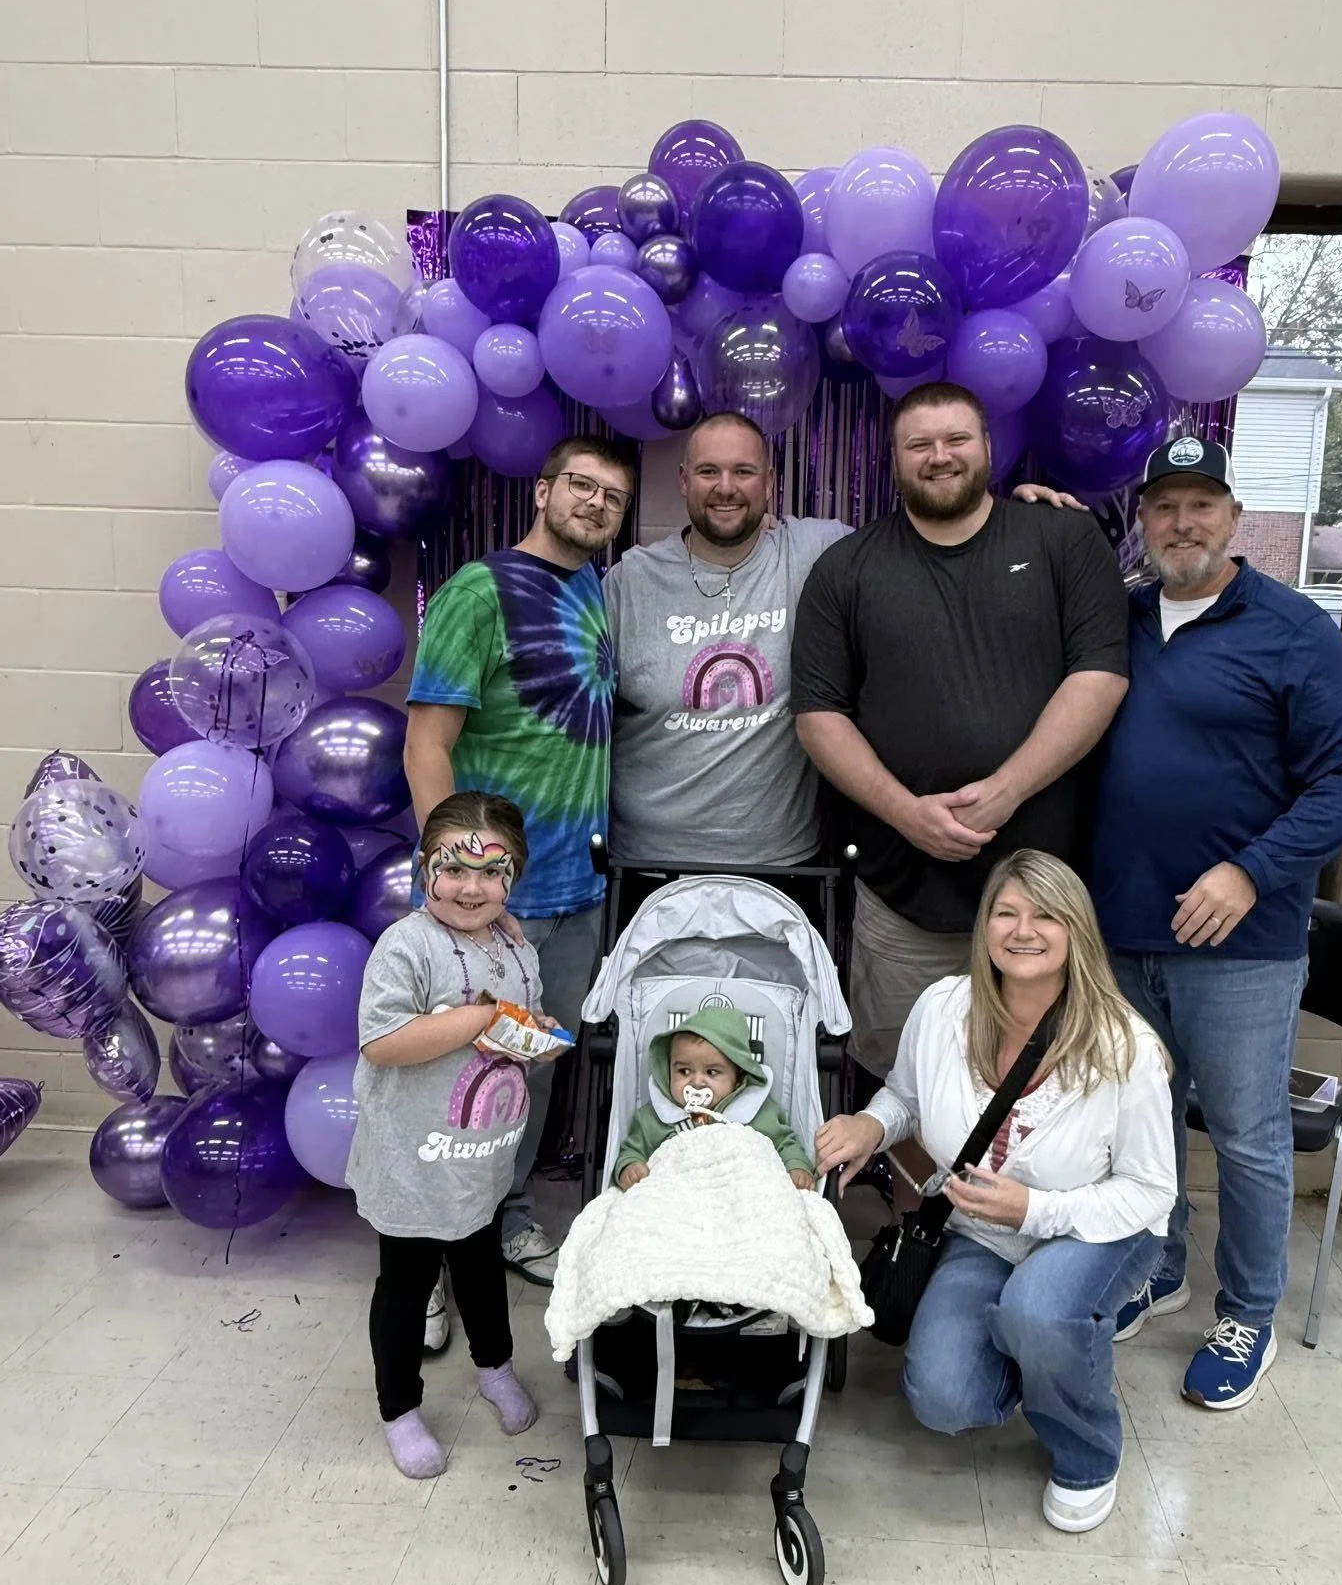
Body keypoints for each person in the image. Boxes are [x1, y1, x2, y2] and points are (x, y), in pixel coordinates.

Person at [1090, 435, 1342, 1410]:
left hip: (1241, 942)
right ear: (1143, 521)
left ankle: (1246, 1310)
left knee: (1251, 1137)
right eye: (1164, 506)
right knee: (1146, 1115)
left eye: (1201, 504)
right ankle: (1161, 1263)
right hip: (1124, 931)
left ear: (1234, 515)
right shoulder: (1119, 621)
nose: (1182, 523)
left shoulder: (1294, 629)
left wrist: (1252, 872)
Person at [814, 849, 1174, 1534]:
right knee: (942, 1398)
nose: (1023, 929)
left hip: (1094, 1234)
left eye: (1045, 914)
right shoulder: (944, 1007)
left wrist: (1034, 1209)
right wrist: (869, 1125)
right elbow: (907, 1099)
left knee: (1039, 1308)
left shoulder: (1126, 1047)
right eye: (1005, 912)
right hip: (982, 1235)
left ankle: (1086, 1448)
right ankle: (1046, 1348)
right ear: (984, 927)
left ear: (1077, 931)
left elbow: (1152, 1190)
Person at [791, 381, 1130, 1087]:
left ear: (989, 449)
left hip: (1044, 888)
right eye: (919, 444)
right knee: (908, 1074)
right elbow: (819, 716)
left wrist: (1007, 791)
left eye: (957, 440)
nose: (939, 457)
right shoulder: (847, 569)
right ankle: (922, 1204)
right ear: (893, 460)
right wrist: (906, 814)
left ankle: (1011, 1203)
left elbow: (1099, 677)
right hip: (904, 888)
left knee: (1043, 1079)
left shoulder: (1063, 539)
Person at [404, 434, 634, 1295]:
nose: (596, 504)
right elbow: (427, 742)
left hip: (575, 896)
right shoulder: (480, 590)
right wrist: (456, 882)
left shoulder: (596, 594)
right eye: (581, 485)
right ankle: (425, 1265)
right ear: (543, 491)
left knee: (530, 1070)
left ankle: (505, 1218)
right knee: (453, 1080)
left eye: (612, 495)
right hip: (488, 899)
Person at [348, 793, 560, 1480]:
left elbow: (515, 1019)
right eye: (454, 869)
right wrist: (477, 1021)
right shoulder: (407, 945)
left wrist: (536, 1034)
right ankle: (399, 1407)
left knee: (478, 1266)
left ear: (515, 878)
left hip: (482, 1153)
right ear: (423, 869)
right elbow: (382, 1043)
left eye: (493, 872)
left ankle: (494, 1367)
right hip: (413, 1157)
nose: (473, 887)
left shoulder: (512, 940)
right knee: (406, 1282)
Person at [604, 411, 849, 878]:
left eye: (743, 471)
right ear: (683, 481)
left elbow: (912, 544)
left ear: (770, 482)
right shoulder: (629, 581)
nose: (725, 487)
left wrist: (1021, 515)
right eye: (708, 471)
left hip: (784, 863)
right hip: (649, 863)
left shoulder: (815, 550)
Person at [613, 1005, 815, 1190]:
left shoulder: (757, 1111)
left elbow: (784, 1144)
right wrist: (630, 1166)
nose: (697, 1082)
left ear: (738, 1076)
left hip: (740, 1189)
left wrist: (796, 1167)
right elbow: (633, 1149)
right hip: (676, 1191)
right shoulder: (653, 1117)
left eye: (711, 1072)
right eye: (684, 1071)